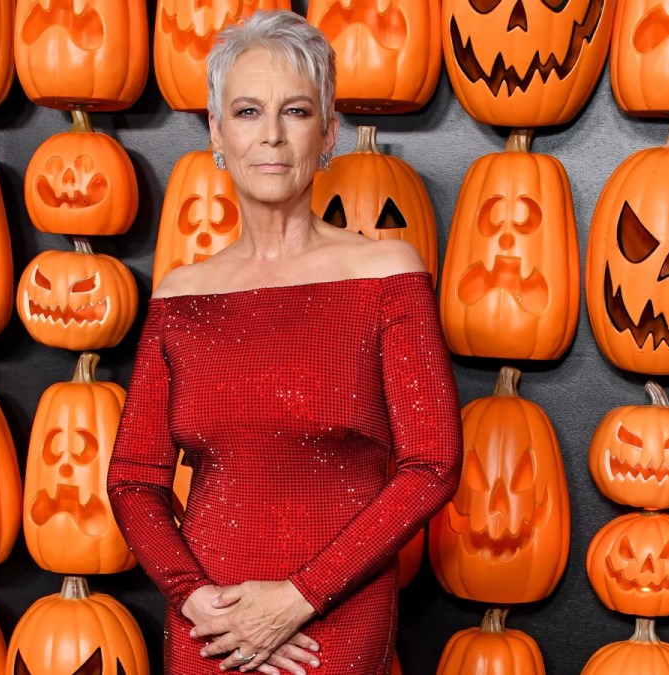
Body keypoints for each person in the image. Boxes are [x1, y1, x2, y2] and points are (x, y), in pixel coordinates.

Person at [107, 10, 463, 675]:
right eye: (246, 111)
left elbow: (433, 464)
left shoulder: (387, 274)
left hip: (336, 613)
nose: (270, 134)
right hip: (208, 620)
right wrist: (194, 599)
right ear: (216, 133)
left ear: (328, 134)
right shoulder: (182, 292)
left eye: (295, 111)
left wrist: (302, 595)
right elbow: (133, 478)